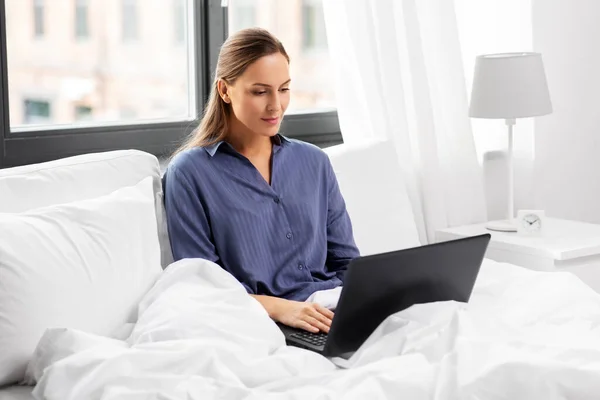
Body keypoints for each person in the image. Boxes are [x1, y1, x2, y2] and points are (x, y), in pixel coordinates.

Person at [163, 28, 359, 334]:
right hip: (261, 323)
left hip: (332, 311)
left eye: (284, 89)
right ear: (225, 91)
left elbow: (347, 262)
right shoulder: (189, 173)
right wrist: (282, 309)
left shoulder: (314, 162)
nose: (276, 106)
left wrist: (372, 301)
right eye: (260, 91)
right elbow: (203, 285)